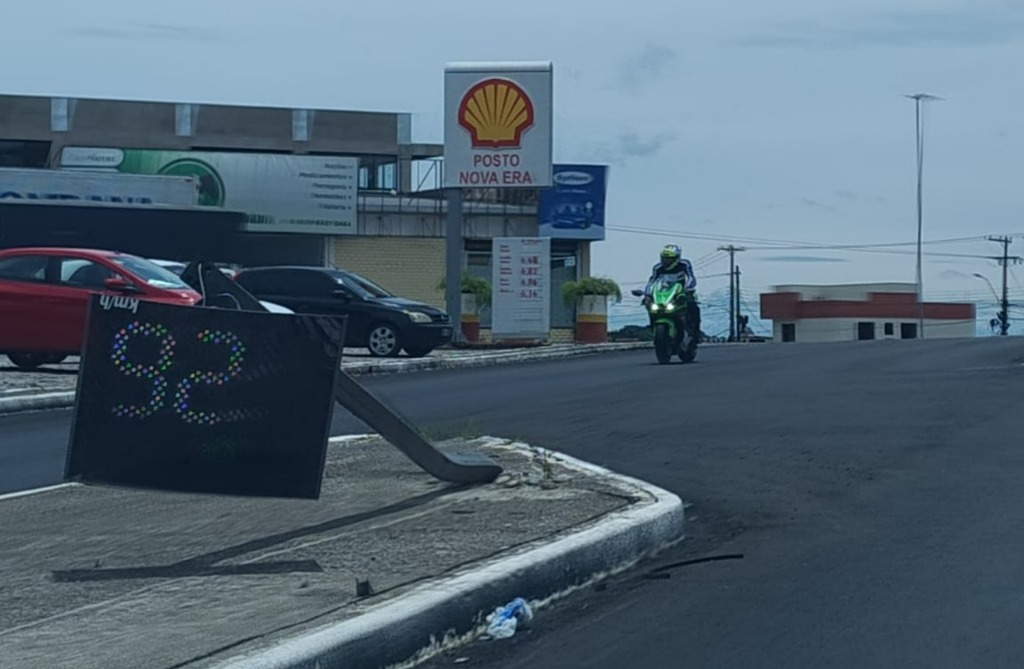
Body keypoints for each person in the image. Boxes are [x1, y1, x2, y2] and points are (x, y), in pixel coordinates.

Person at [644, 244, 701, 339]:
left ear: (677, 257)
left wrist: (688, 288)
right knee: (649, 305)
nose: (666, 261)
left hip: (682, 293)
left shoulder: (684, 264)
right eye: (664, 258)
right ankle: (652, 325)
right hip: (664, 294)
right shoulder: (658, 268)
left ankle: (695, 331)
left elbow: (691, 277)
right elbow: (652, 282)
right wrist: (647, 294)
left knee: (692, 305)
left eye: (669, 258)